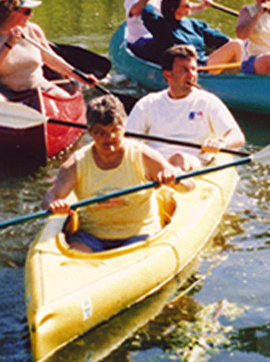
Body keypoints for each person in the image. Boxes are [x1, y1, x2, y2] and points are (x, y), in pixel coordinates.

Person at [44, 95, 187, 253]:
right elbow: (50, 197)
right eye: (101, 133)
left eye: (115, 131)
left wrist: (174, 180)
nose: (109, 138)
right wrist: (54, 204)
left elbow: (188, 186)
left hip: (139, 234)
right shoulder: (75, 164)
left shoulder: (143, 156)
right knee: (74, 260)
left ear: (124, 128)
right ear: (90, 132)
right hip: (91, 237)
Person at [125, 45, 245, 171]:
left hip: (192, 163)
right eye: (184, 70)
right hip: (156, 163)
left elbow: (237, 137)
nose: (191, 75)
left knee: (179, 158)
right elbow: (128, 141)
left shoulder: (208, 102)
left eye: (193, 69)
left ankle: (172, 177)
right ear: (167, 75)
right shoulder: (147, 103)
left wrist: (221, 143)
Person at [0, 0, 95, 99]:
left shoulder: (34, 30)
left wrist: (81, 77)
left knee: (64, 99)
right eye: (27, 11)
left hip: (37, 86)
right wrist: (9, 44)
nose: (31, 15)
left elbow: (52, 59)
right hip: (1, 90)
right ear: (11, 12)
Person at [140, 0, 243, 70]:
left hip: (204, 63)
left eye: (189, 3)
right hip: (193, 68)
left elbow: (217, 38)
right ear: (173, 9)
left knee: (239, 43)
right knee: (237, 44)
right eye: (185, 5)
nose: (190, 6)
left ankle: (247, 75)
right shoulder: (163, 27)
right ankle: (245, 79)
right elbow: (147, 12)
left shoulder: (195, 24)